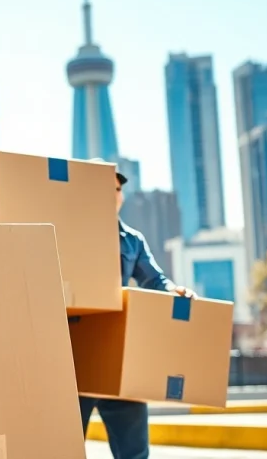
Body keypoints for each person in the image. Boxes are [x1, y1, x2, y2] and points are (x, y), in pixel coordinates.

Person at [79, 160, 197, 459]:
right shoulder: (64, 233)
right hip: (74, 357)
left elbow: (154, 279)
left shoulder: (132, 240)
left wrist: (174, 291)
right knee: (61, 449)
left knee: (134, 454)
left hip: (119, 356)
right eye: (103, 188)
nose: (113, 194)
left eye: (117, 189)